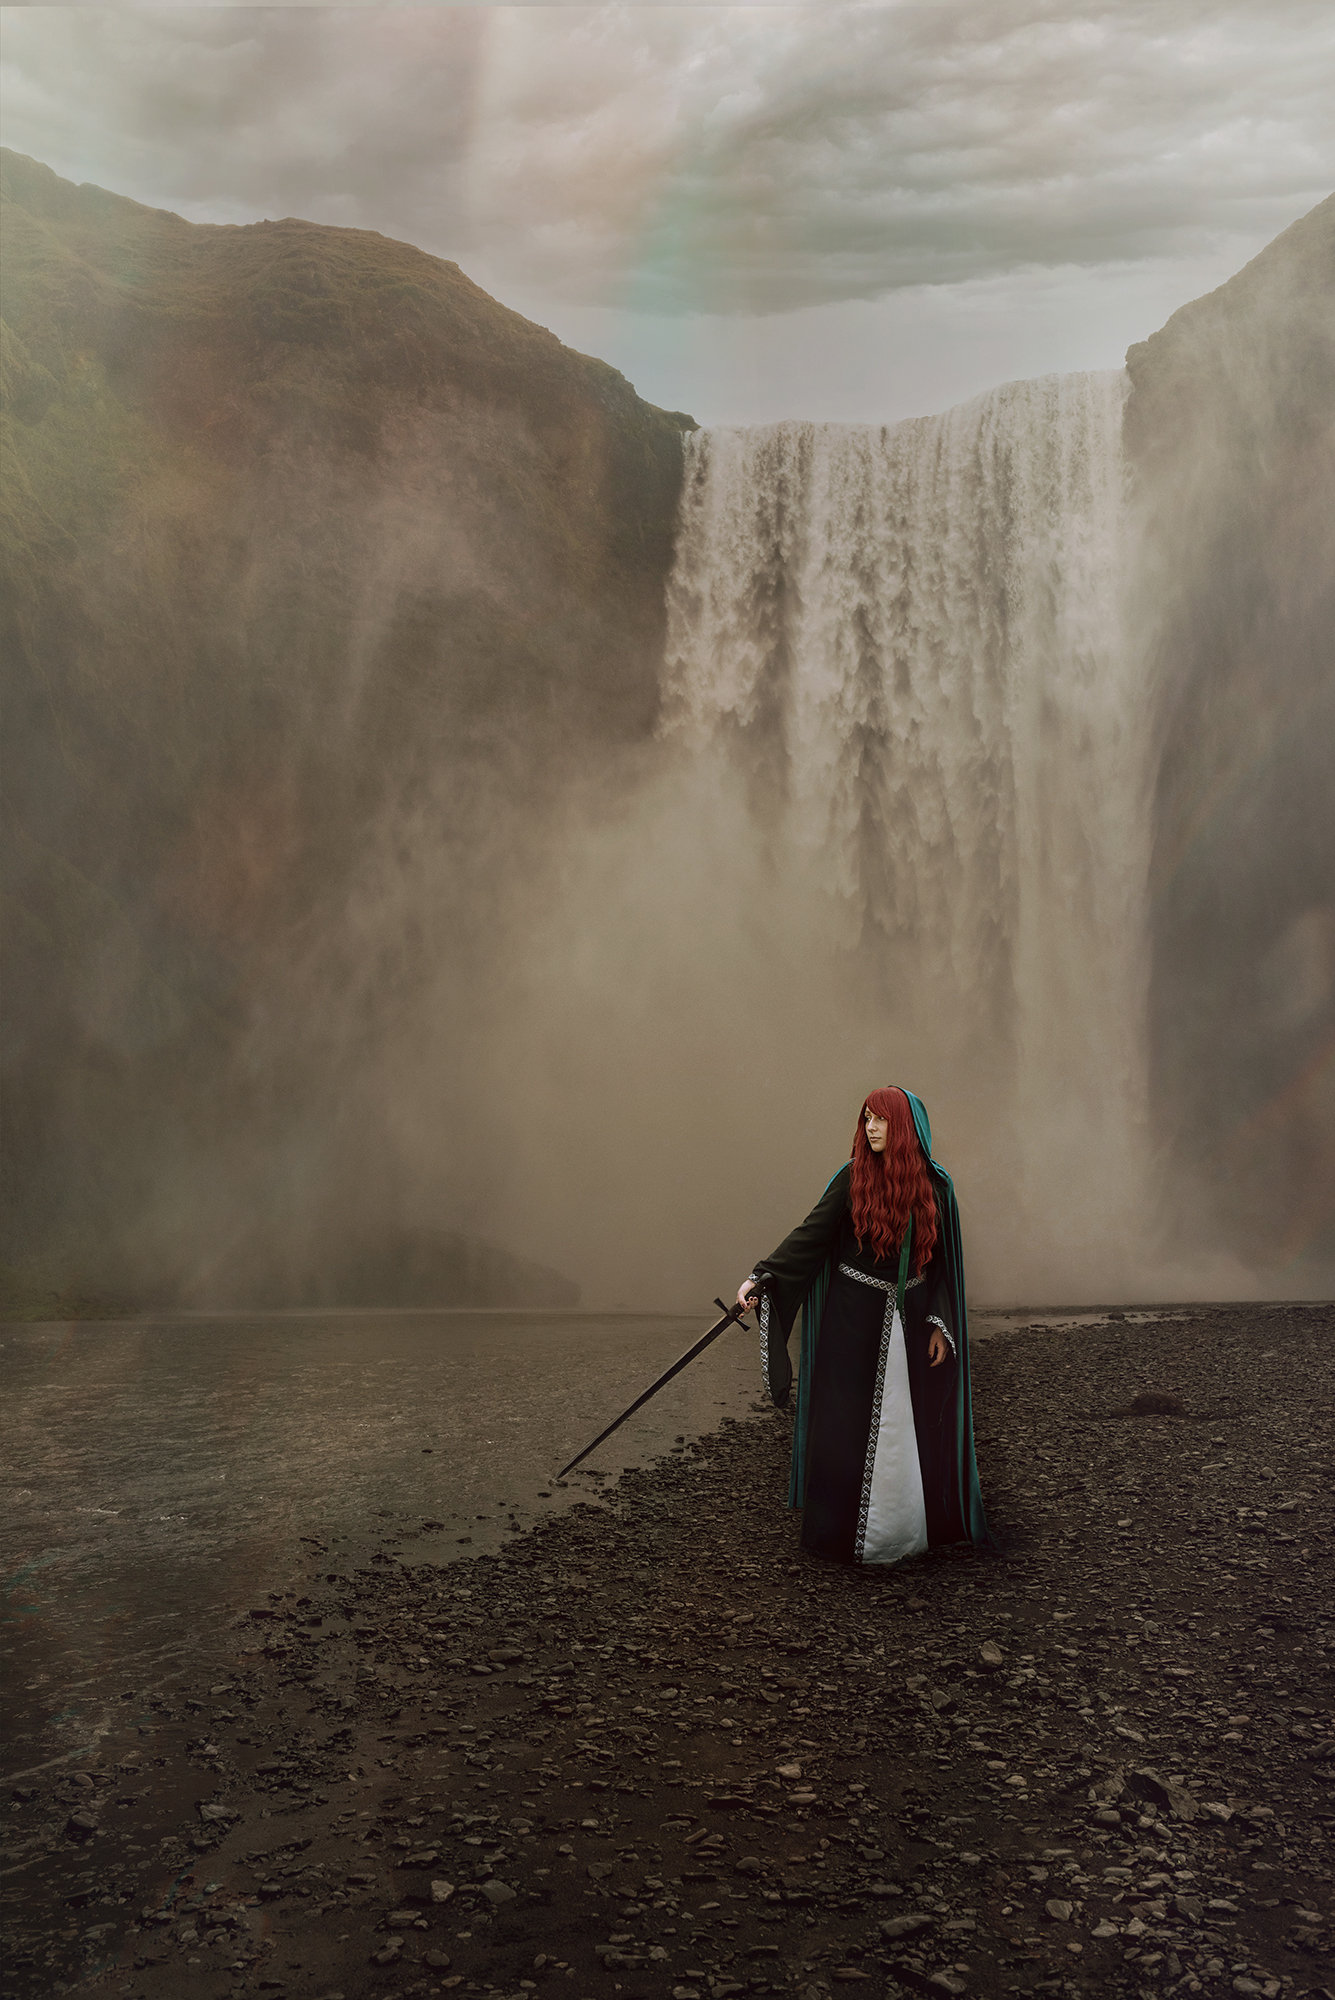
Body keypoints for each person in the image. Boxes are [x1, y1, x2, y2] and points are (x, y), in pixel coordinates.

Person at [738, 1086, 990, 1565]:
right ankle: (839, 1538)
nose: (871, 1128)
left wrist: (940, 1323)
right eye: (866, 1118)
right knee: (843, 1429)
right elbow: (810, 1237)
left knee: (908, 1424)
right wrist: (761, 1277)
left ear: (905, 1127)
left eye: (881, 1120)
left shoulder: (936, 1187)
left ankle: (906, 1534)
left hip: (913, 1324)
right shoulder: (852, 1179)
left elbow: (941, 1267)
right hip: (851, 1322)